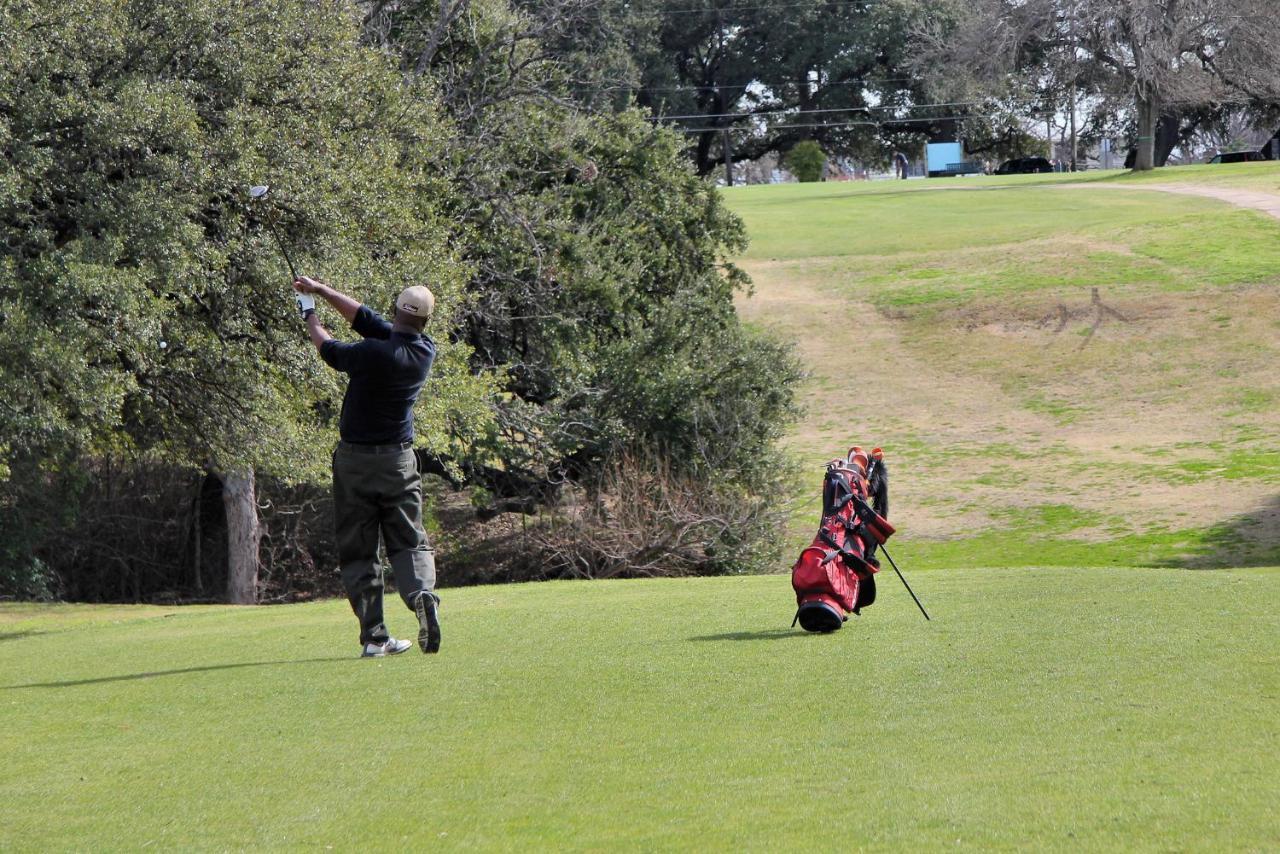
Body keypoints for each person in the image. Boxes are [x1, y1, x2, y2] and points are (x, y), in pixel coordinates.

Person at [292, 275, 442, 658]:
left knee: (360, 551)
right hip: (398, 461)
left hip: (356, 462)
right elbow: (367, 319)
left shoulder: (375, 353)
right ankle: (422, 594)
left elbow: (330, 350)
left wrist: (309, 313)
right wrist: (322, 290)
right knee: (408, 540)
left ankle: (375, 638)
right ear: (426, 321)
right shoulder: (425, 349)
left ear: (396, 311)